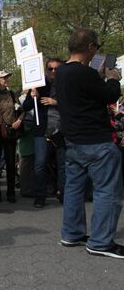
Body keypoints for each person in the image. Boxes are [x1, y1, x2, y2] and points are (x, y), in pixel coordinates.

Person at [56, 28, 123, 258]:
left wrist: (99, 76)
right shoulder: (85, 74)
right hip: (96, 141)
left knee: (74, 187)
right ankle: (101, 242)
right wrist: (113, 79)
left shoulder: (62, 72)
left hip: (73, 140)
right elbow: (109, 96)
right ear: (91, 48)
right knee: (107, 191)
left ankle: (71, 232)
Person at [22, 57, 63, 208]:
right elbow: (25, 106)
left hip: (61, 131)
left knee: (62, 165)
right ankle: (40, 196)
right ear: (46, 70)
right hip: (42, 131)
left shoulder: (66, 85)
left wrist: (55, 102)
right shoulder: (38, 85)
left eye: (56, 69)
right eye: (50, 68)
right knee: (40, 164)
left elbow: (75, 104)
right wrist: (34, 96)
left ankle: (63, 194)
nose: (53, 71)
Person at [0, 70, 24, 203]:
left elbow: (21, 110)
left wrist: (19, 120)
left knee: (11, 162)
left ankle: (11, 193)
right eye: (3, 77)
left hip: (10, 129)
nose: (6, 79)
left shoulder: (11, 94)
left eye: (7, 77)